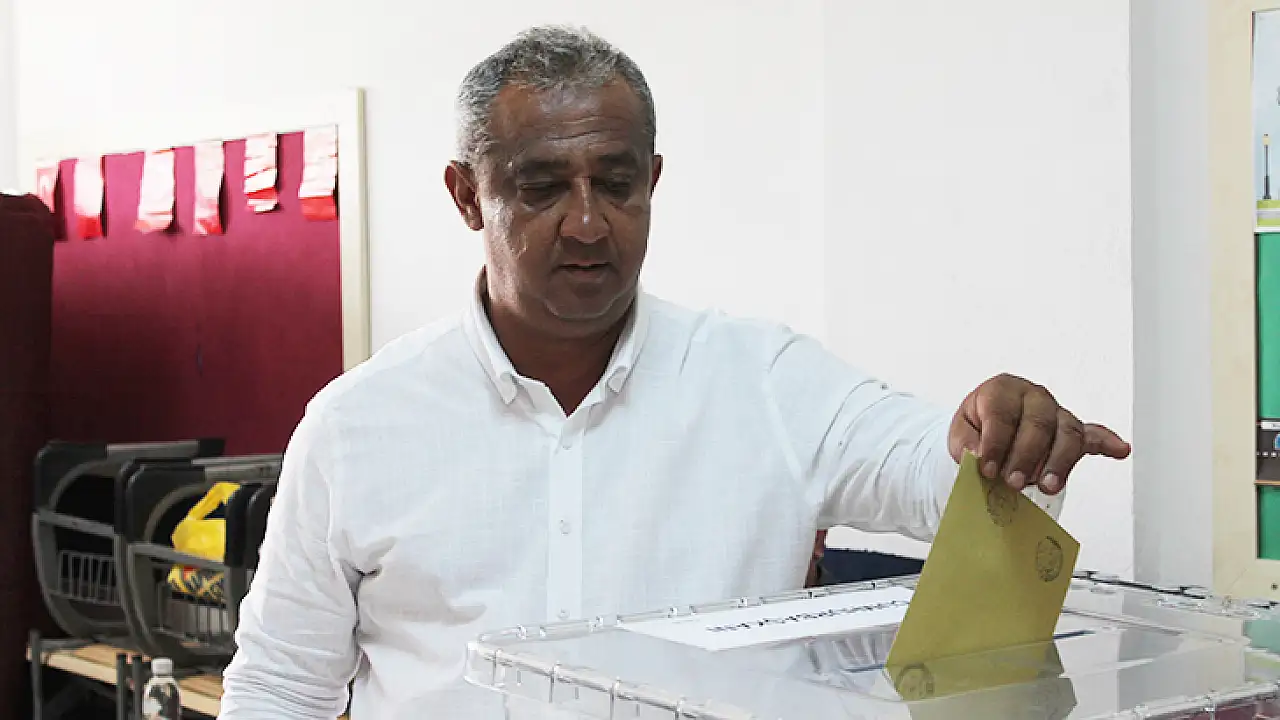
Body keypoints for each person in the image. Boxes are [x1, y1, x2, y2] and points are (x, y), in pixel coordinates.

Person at [219, 25, 1130, 719]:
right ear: (467, 196)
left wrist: (997, 436)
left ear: (652, 180)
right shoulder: (357, 426)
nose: (587, 223)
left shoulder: (764, 382)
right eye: (542, 187)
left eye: (615, 183)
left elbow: (930, 467)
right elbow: (280, 685)